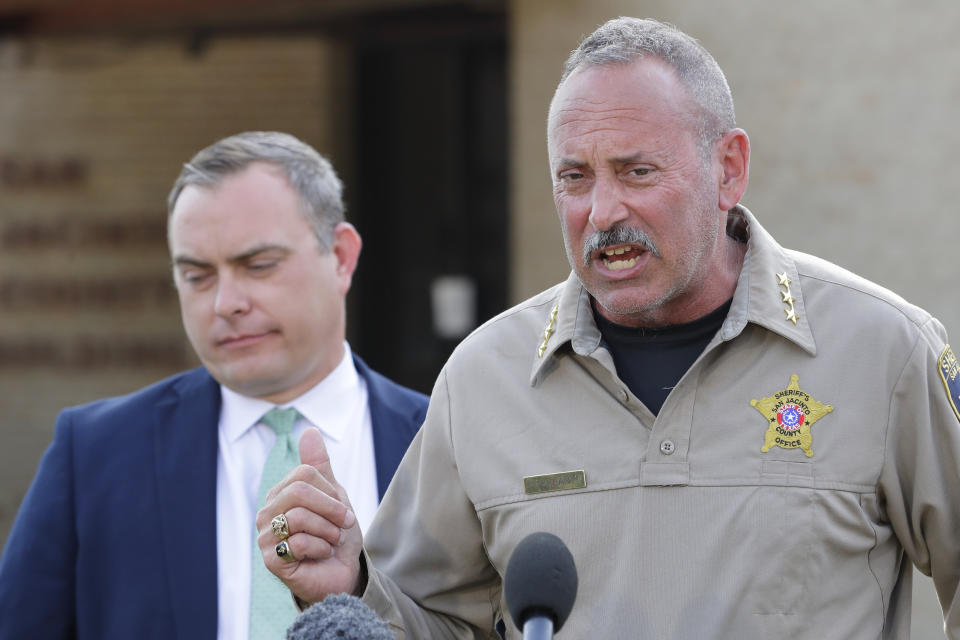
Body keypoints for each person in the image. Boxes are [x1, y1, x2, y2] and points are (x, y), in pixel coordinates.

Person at [259, 19, 960, 638]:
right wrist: (349, 586)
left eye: (636, 171)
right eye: (575, 177)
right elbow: (429, 619)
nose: (602, 211)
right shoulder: (483, 378)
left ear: (729, 169)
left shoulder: (884, 351)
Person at [0, 131, 428, 639]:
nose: (226, 302)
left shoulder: (439, 440)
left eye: (258, 265)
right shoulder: (94, 454)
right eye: (198, 275)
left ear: (340, 256)